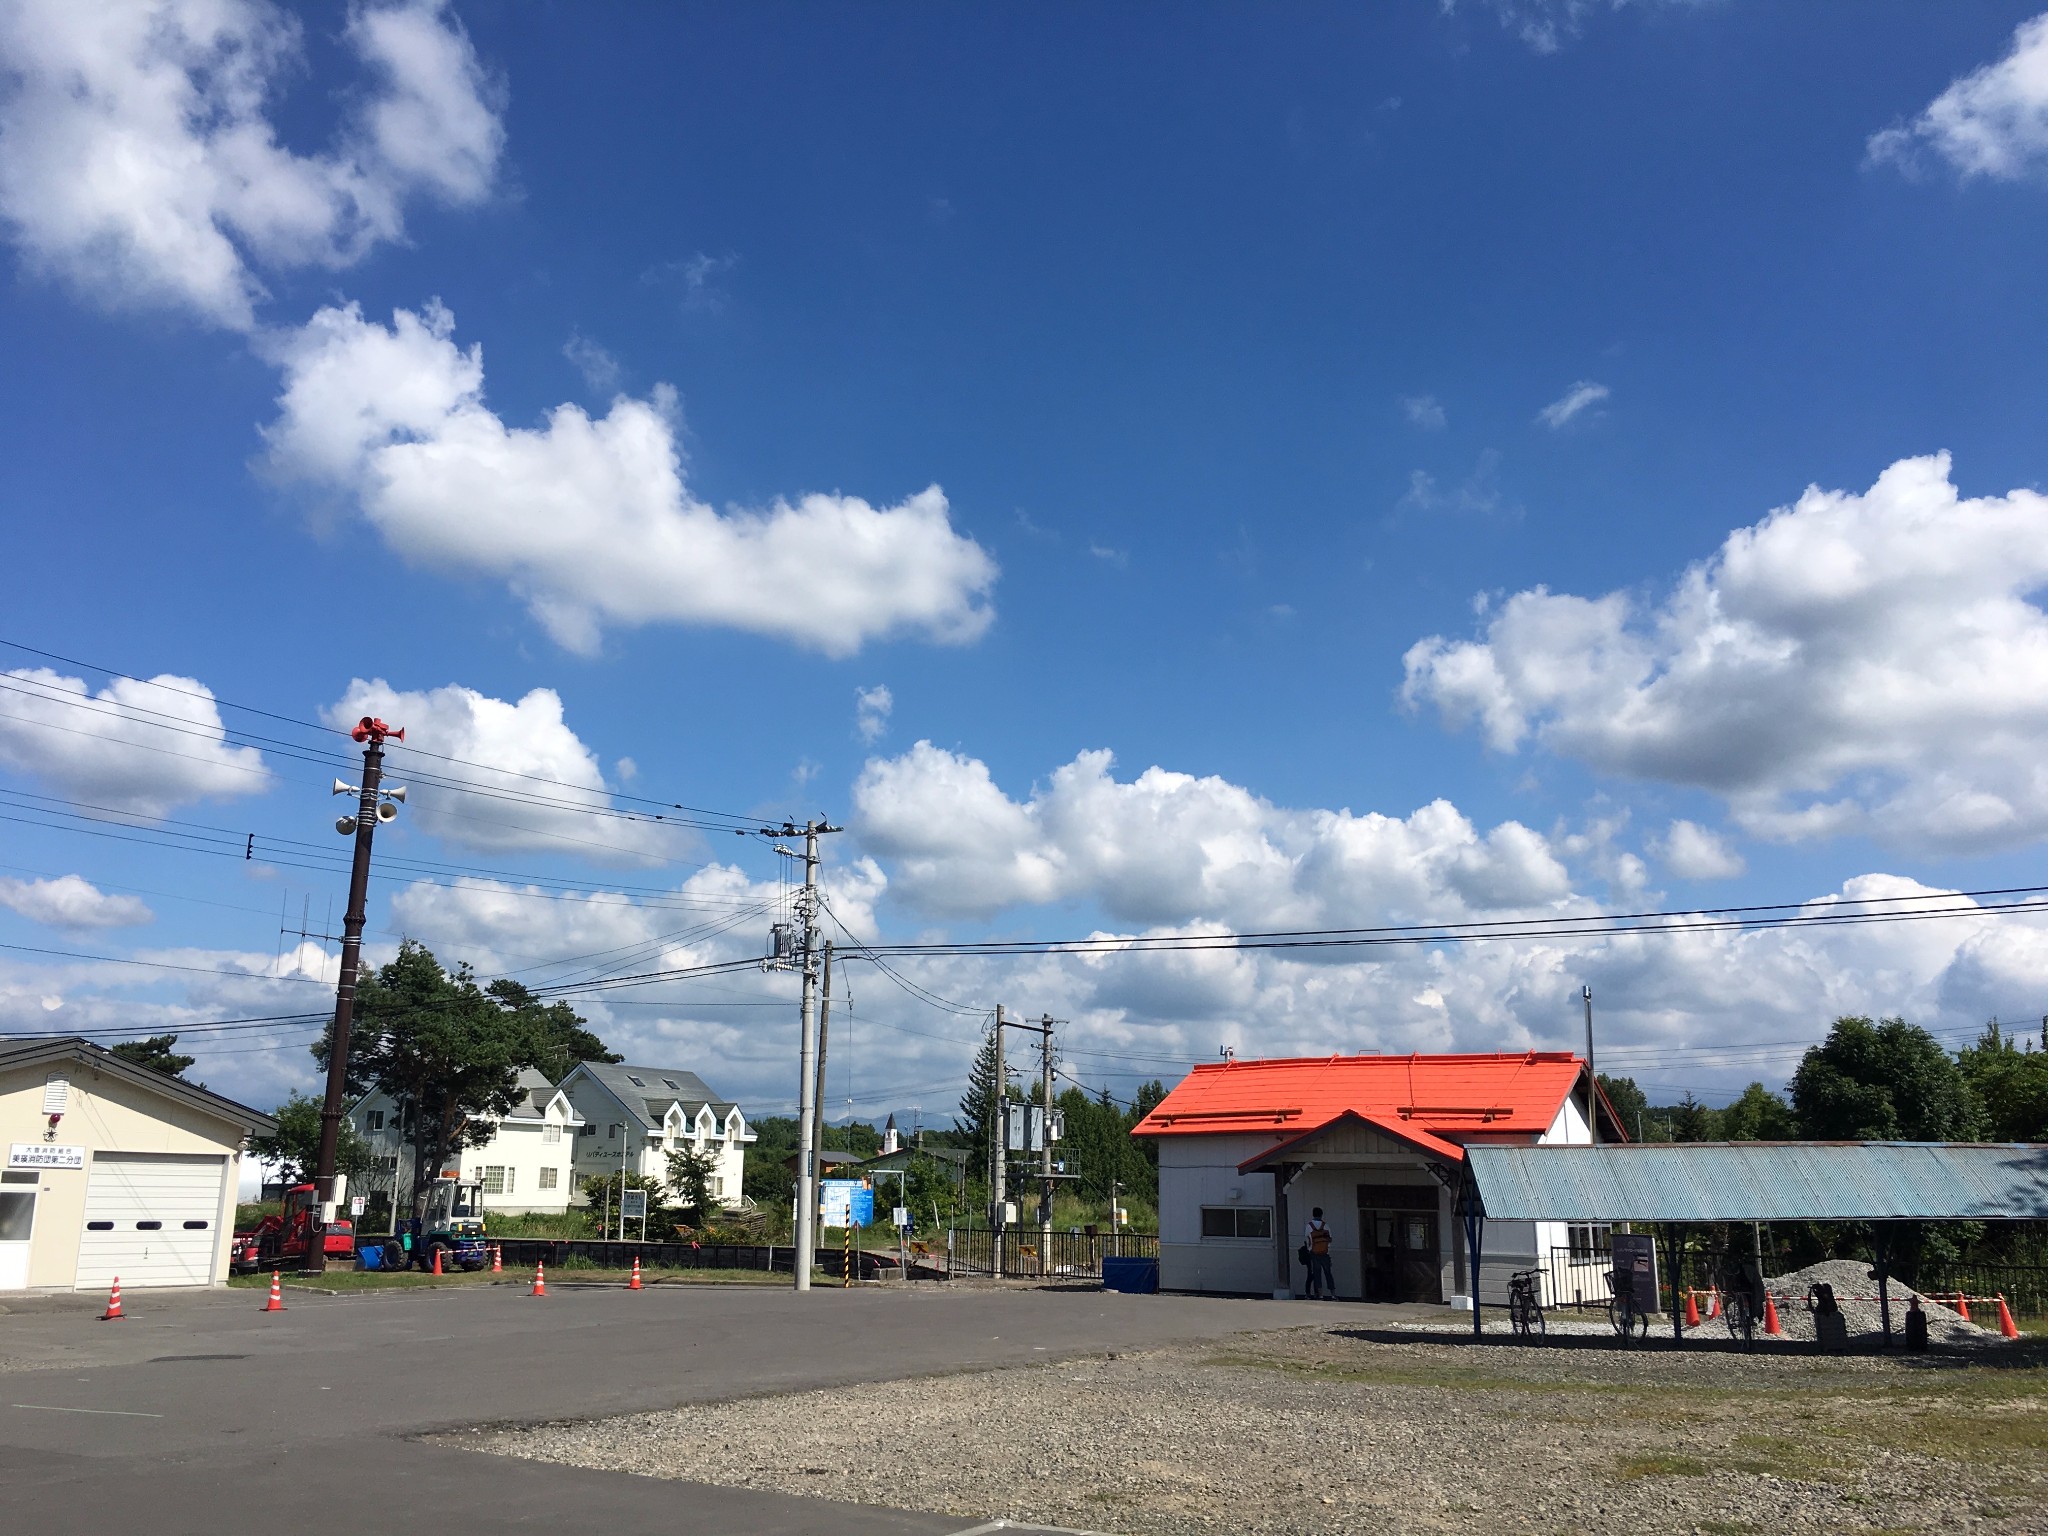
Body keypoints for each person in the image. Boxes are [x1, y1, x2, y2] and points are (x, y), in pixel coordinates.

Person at [1303, 1208, 1334, 1299]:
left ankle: (1320, 1295)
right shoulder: (1326, 1226)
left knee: (1316, 1274)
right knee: (1328, 1274)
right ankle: (1333, 1294)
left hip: (1314, 1253)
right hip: (1325, 1253)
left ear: (1313, 1214)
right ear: (1321, 1214)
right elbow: (1330, 1239)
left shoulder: (1309, 1226)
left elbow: (1307, 1240)